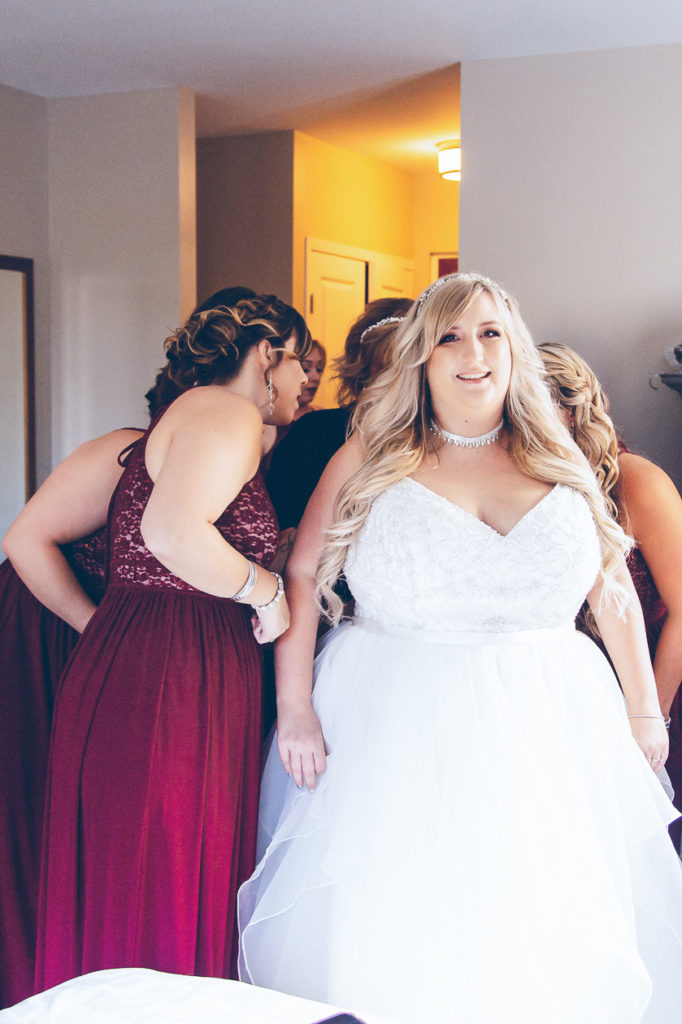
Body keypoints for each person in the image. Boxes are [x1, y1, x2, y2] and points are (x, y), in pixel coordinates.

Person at [239, 274, 682, 1023]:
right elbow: (305, 570)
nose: (472, 352)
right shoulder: (371, 456)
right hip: (397, 715)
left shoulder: (561, 459)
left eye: (489, 333)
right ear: (422, 356)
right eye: (449, 336)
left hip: (551, 719)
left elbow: (610, 585)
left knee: (544, 904)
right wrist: (294, 706)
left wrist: (644, 711)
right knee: (407, 904)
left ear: (513, 349)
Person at [34, 296, 311, 994]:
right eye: (302, 360)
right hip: (176, 673)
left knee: (140, 867)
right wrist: (268, 592)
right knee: (166, 864)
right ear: (267, 353)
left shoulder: (189, 413)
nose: (308, 380)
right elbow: (172, 534)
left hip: (150, 654)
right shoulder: (229, 411)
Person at [0, 428, 143, 1009]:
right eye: (297, 360)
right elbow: (25, 538)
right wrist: (99, 635)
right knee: (26, 798)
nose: (310, 377)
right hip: (44, 626)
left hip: (103, 649)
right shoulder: (127, 449)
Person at [539, 341, 682, 853]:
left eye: (532, 407)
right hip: (572, 703)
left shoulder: (636, 481)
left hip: (654, 690)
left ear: (572, 411)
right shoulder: (530, 488)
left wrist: (649, 715)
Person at [266, 298, 413, 533]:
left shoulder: (440, 439)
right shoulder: (314, 434)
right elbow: (286, 527)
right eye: (389, 368)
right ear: (363, 370)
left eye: (415, 368)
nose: (404, 382)